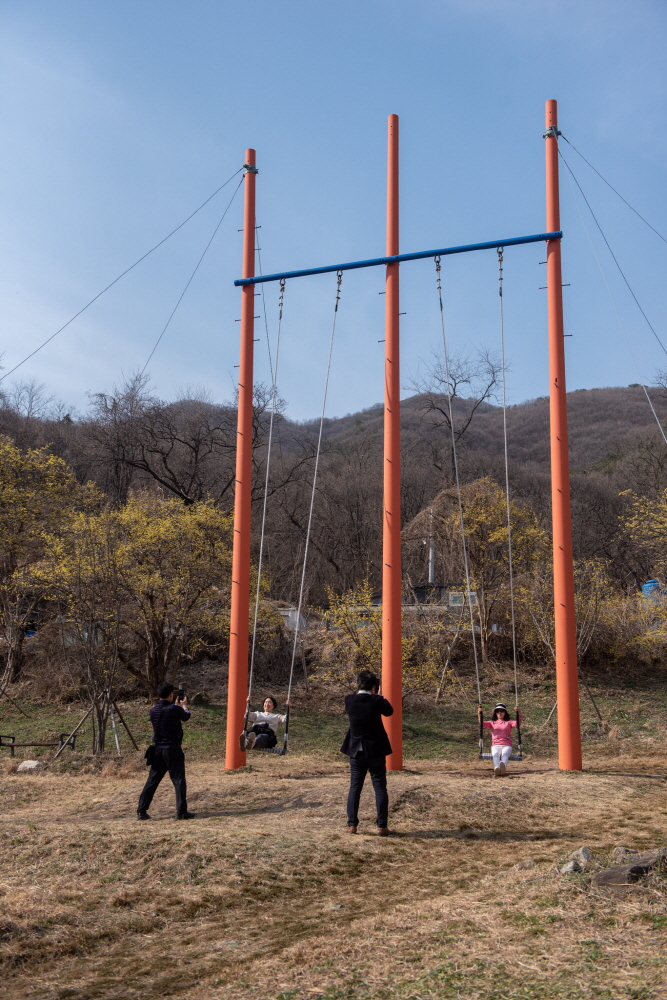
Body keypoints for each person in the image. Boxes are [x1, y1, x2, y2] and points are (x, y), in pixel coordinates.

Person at [341, 669, 393, 836]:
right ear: (374, 686)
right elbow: (389, 711)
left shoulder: (349, 700)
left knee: (355, 788)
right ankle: (382, 826)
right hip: (376, 751)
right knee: (380, 788)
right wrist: (381, 696)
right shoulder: (378, 700)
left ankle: (352, 825)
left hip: (356, 751)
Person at [137, 682, 195, 820]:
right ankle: (181, 811)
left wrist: (176, 706)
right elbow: (186, 716)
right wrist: (184, 706)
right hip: (173, 749)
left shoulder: (153, 710)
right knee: (178, 780)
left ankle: (141, 810)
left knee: (152, 780)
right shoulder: (175, 709)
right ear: (170, 695)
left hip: (157, 750)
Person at [478, 702, 521, 777]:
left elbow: (517, 724)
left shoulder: (509, 722)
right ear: (495, 713)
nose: (499, 713)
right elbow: (482, 724)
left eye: (502, 711)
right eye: (497, 711)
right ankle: (497, 768)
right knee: (495, 754)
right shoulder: (492, 723)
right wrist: (479, 713)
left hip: (507, 744)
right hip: (496, 744)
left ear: (505, 712)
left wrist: (519, 713)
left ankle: (503, 767)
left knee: (505, 754)